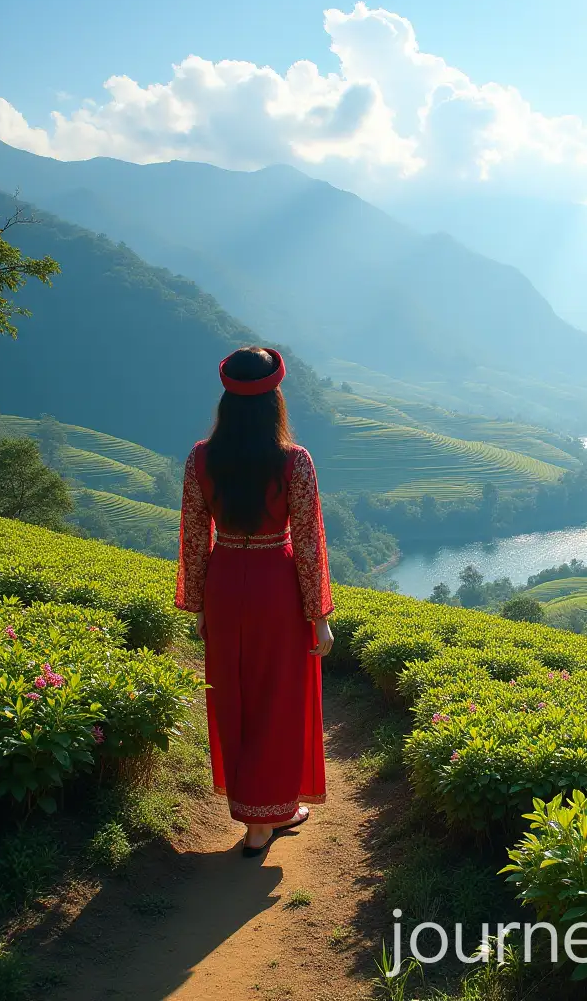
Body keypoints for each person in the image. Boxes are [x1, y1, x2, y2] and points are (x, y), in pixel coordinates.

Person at [175, 346, 335, 857]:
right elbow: (309, 543)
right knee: (277, 697)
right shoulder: (294, 461)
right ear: (276, 401)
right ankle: (266, 818)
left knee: (234, 695)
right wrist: (320, 617)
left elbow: (195, 536)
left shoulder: (201, 458)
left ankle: (253, 811)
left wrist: (199, 603)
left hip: (225, 583)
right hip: (276, 586)